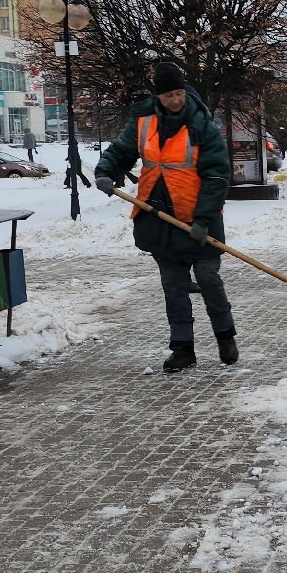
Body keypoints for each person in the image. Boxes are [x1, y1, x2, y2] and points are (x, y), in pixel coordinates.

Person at [93, 62, 235, 373]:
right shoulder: (144, 122)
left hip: (199, 218)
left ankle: (225, 336)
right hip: (159, 218)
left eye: (179, 93)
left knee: (209, 279)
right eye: (169, 94)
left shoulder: (202, 126)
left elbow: (216, 175)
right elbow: (120, 151)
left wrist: (203, 219)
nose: (176, 99)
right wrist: (105, 172)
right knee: (173, 284)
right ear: (159, 96)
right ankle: (182, 347)